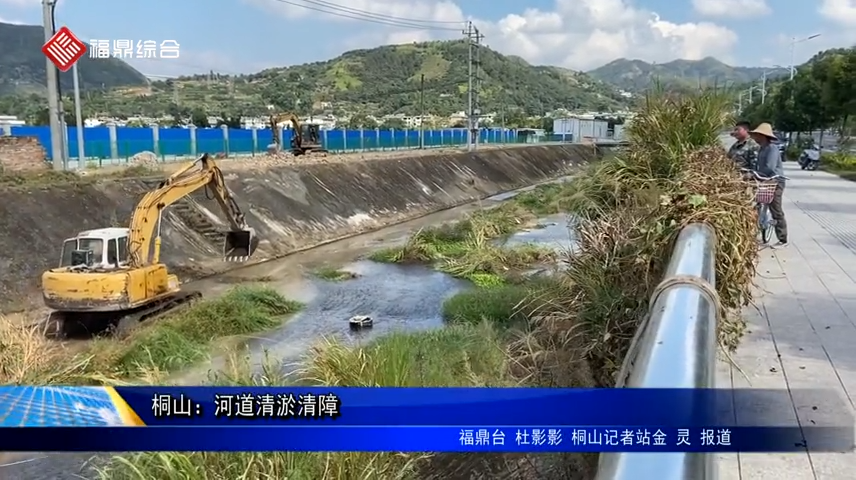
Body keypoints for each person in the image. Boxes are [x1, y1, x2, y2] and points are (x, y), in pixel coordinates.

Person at [749, 122, 788, 247]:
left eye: (757, 135)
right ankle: (759, 228)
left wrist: (756, 173)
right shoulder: (762, 149)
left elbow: (769, 167)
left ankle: (783, 239)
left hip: (776, 180)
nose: (755, 138)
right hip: (765, 180)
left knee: (775, 209)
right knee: (759, 203)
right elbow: (758, 166)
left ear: (763, 136)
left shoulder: (772, 148)